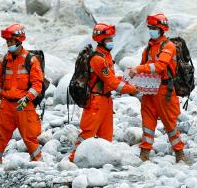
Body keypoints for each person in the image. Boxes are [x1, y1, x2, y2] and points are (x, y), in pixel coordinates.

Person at [70, 23, 138, 160]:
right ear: (100, 40)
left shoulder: (106, 56)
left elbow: (111, 78)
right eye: (108, 39)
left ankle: (103, 160)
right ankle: (74, 158)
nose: (111, 42)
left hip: (106, 100)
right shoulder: (98, 59)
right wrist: (132, 89)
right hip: (96, 101)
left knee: (106, 135)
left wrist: (125, 78)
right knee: (88, 132)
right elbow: (111, 82)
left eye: (111, 39)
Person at [131, 13, 186, 162]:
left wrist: (139, 69)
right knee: (147, 122)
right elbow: (143, 67)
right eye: (150, 28)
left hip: (163, 90)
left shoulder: (168, 46)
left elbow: (161, 66)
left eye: (154, 28)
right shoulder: (148, 48)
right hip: (149, 90)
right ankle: (144, 152)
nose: (151, 30)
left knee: (170, 123)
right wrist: (134, 79)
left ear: (161, 29)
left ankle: (179, 153)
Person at [0, 24, 44, 164]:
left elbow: (38, 85)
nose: (8, 44)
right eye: (7, 41)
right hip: (6, 105)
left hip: (23, 105)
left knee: (30, 137)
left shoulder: (31, 60)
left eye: (11, 41)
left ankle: (39, 165)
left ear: (19, 40)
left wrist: (27, 98)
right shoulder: (5, 60)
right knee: (0, 136)